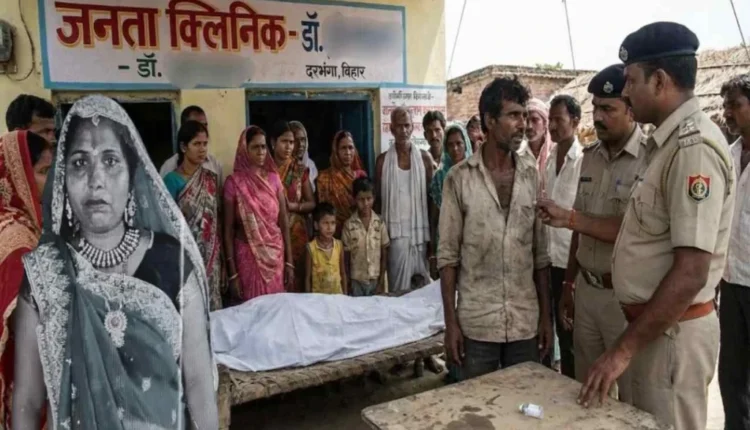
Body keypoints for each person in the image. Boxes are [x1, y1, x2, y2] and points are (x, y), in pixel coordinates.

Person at [12, 95, 218, 429]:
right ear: (63, 177)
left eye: (110, 161)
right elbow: (28, 400)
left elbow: (198, 384)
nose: (96, 179)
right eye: (80, 162)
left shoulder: (172, 261)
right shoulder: (45, 273)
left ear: (132, 173)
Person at [574, 23, 734, 430]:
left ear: (660, 81)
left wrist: (622, 350)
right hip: (654, 332)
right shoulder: (666, 144)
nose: (625, 92)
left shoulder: (693, 149)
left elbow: (691, 271)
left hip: (672, 337)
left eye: (631, 81)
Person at [538, 64, 647, 404]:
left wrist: (571, 218)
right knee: (585, 391)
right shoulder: (591, 158)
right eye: (596, 108)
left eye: (608, 109)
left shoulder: (650, 159)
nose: (598, 117)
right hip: (587, 290)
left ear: (631, 110)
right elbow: (579, 232)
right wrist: (570, 284)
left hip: (624, 298)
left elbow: (632, 230)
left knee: (630, 396)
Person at [439, 76, 553, 381]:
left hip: (524, 321)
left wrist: (546, 318)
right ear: (489, 121)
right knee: (477, 406)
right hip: (477, 324)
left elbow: (540, 255)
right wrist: (451, 325)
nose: (522, 125)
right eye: (513, 115)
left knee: (525, 404)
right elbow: (448, 258)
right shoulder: (459, 179)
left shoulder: (531, 175)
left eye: (525, 116)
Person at [0, 130, 52, 429]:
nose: (51, 180)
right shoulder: (18, 238)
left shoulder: (10, 221)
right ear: (19, 176)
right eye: (44, 171)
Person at [223, 126, 294, 302]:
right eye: (255, 147)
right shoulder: (234, 183)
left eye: (263, 146)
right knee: (251, 310)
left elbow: (283, 222)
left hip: (275, 256)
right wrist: (232, 273)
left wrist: (289, 262)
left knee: (275, 309)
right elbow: (228, 230)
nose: (261, 151)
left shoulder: (274, 179)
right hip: (247, 257)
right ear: (244, 150)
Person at [542, 94, 584, 378]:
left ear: (575, 121)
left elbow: (581, 217)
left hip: (572, 264)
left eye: (559, 119)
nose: (553, 126)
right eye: (550, 120)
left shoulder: (583, 162)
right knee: (554, 332)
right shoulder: (549, 161)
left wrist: (572, 277)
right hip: (550, 261)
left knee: (572, 337)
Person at [164, 120, 224, 311]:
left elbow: (217, 220)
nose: (202, 149)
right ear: (184, 147)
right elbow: (166, 224)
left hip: (212, 258)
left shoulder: (210, 179)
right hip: (185, 258)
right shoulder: (171, 181)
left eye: (205, 144)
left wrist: (223, 262)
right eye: (196, 144)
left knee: (213, 314)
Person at [719, 72, 750, 429]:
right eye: (725, 105)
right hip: (730, 283)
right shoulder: (728, 156)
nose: (727, 112)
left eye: (735, 105)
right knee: (732, 377)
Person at [374, 107, 434, 293]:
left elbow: (431, 200)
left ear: (413, 127)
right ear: (392, 129)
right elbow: (378, 202)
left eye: (407, 125)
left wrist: (432, 240)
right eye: (399, 126)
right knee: (397, 289)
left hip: (420, 235)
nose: (403, 130)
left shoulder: (424, 159)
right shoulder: (383, 161)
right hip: (395, 236)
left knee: (422, 289)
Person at [272, 121, 315, 293]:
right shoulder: (266, 171)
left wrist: (293, 206)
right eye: (285, 142)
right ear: (273, 142)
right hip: (272, 233)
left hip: (296, 234)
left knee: (298, 282)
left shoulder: (299, 170)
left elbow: (311, 203)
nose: (289, 146)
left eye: (291, 142)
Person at [428, 122, 473, 274]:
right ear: (445, 148)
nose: (455, 149)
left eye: (459, 143)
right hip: (446, 246)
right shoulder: (440, 178)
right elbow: (434, 220)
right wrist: (433, 254)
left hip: (471, 246)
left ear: (466, 145)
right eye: (450, 145)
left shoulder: (476, 175)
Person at [342, 177, 389, 297]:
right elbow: (346, 258)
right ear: (355, 199)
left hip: (375, 279)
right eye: (361, 199)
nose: (365, 203)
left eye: (369, 198)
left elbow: (384, 254)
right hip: (356, 281)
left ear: (374, 198)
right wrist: (348, 282)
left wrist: (381, 282)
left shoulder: (379, 223)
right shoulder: (349, 225)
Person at [316, 130, 367, 237]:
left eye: (350, 147)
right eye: (343, 148)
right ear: (336, 151)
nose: (347, 152)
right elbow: (323, 211)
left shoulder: (361, 176)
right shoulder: (324, 177)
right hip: (333, 233)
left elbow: (366, 207)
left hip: (357, 233)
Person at [159, 105, 223, 183]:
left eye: (205, 125)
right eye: (197, 143)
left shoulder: (214, 165)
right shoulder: (169, 168)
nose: (203, 129)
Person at [305, 203, 347, 295]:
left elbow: (343, 273)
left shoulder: (339, 246)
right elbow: (308, 277)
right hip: (318, 298)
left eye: (333, 223)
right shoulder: (311, 248)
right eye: (325, 223)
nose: (329, 228)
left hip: (337, 296)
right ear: (316, 225)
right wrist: (308, 299)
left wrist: (345, 296)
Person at [522, 98, 555, 187]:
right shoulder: (518, 154)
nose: (529, 126)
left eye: (535, 120)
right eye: (526, 120)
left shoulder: (555, 153)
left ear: (545, 123)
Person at [289, 120, 319, 192]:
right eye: (296, 140)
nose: (300, 144)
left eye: (303, 140)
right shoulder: (282, 165)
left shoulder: (310, 165)